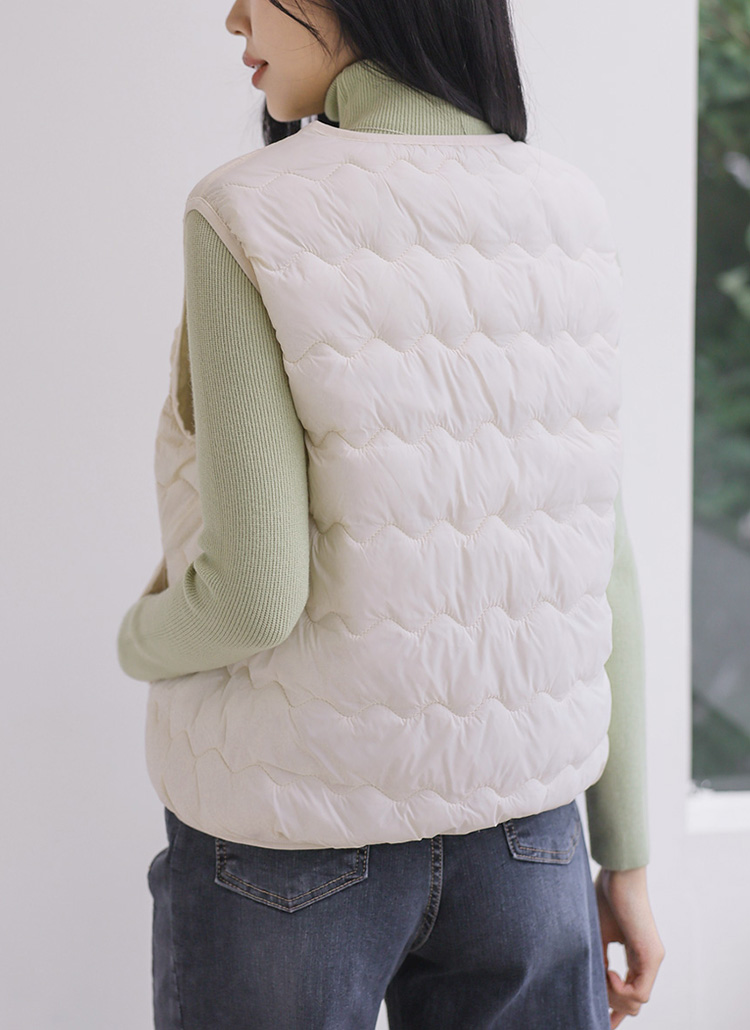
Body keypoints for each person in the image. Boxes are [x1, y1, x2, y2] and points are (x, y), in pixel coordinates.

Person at [116, 1, 665, 1026]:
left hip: (288, 834)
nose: (233, 15)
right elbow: (605, 563)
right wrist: (624, 856)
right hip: (530, 838)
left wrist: (136, 638)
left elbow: (251, 596)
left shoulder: (247, 211)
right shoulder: (569, 208)